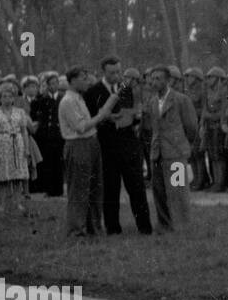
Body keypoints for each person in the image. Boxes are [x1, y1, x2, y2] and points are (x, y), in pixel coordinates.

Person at [84, 57, 153, 236]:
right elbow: (89, 120)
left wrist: (136, 115)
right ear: (103, 72)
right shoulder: (93, 92)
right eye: (112, 73)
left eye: (118, 72)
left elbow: (133, 114)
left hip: (129, 145)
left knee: (136, 187)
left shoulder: (126, 89)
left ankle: (145, 227)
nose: (116, 76)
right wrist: (105, 119)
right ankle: (113, 229)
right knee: (110, 189)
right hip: (107, 146)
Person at [59, 65, 117, 237]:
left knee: (94, 187)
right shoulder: (68, 101)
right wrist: (101, 115)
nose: (87, 81)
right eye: (83, 78)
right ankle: (76, 231)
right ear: (73, 80)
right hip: (78, 145)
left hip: (91, 143)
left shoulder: (79, 98)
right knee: (79, 189)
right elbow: (81, 127)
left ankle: (93, 228)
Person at [146, 64, 199, 231]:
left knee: (178, 191)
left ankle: (182, 225)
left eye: (158, 79)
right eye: (152, 79)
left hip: (175, 153)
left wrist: (181, 144)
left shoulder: (181, 100)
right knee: (159, 192)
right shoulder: (152, 102)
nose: (154, 82)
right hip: (157, 154)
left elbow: (191, 127)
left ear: (168, 81)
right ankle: (164, 225)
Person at [0, 82, 35, 214]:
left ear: (13, 98)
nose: (7, 99)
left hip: (17, 144)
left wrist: (26, 149)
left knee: (17, 176)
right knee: (3, 177)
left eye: (9, 96)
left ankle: (18, 203)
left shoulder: (20, 112)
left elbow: (24, 131)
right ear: (0, 98)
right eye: (4, 96)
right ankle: (2, 204)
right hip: (1, 144)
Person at [30, 72, 64, 197]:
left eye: (56, 83)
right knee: (48, 162)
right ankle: (50, 190)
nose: (54, 86)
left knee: (59, 163)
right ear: (48, 85)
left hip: (59, 135)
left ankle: (59, 190)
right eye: (51, 84)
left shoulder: (62, 97)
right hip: (47, 135)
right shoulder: (42, 99)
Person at [200, 67, 228, 191]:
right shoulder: (207, 92)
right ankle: (215, 181)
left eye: (211, 77)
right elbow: (204, 110)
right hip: (209, 127)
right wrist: (202, 124)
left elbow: (224, 112)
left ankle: (220, 183)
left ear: (218, 78)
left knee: (218, 156)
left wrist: (211, 116)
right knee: (212, 155)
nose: (209, 80)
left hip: (218, 127)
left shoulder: (224, 92)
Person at [183, 67, 208, 190]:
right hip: (189, 125)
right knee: (191, 154)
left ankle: (201, 180)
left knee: (198, 153)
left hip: (198, 124)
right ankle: (195, 179)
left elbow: (204, 109)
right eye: (188, 76)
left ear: (197, 78)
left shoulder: (202, 91)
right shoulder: (187, 91)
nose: (189, 79)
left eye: (191, 76)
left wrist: (202, 124)